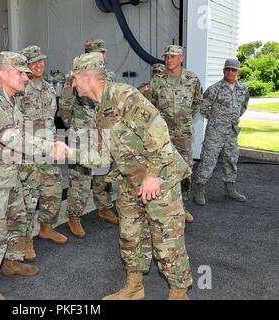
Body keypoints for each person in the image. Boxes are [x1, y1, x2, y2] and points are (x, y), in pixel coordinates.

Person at [71, 52, 193, 300]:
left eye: (74, 78)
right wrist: (68, 152)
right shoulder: (100, 109)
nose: (72, 84)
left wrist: (152, 174)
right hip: (131, 181)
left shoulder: (123, 96)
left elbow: (159, 131)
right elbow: (102, 158)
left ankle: (179, 294)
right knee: (130, 236)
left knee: (167, 241)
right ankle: (134, 288)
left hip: (159, 178)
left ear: (86, 77)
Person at [0, 51, 70, 300]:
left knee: (19, 220)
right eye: (21, 72)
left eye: (27, 72)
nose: (26, 76)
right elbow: (11, 137)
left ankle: (11, 262)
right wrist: (49, 147)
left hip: (12, 174)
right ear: (3, 73)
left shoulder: (12, 100)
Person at [58, 39, 118, 238]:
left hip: (102, 131)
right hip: (82, 132)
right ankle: (74, 216)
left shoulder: (109, 75)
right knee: (81, 177)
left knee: (103, 171)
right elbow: (65, 105)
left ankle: (104, 207)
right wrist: (73, 126)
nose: (101, 56)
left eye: (102, 52)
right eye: (96, 53)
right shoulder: (73, 77)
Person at [17, 45, 68, 262]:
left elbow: (51, 119)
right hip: (28, 152)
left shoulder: (48, 88)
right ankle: (26, 239)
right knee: (28, 197)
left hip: (48, 149)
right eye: (34, 61)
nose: (39, 65)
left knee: (53, 191)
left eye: (41, 61)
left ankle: (46, 228)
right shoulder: (19, 89)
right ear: (25, 65)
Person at [143, 45, 203, 223]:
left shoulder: (191, 79)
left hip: (183, 134)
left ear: (181, 59)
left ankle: (182, 207)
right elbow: (150, 105)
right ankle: (161, 205)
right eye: (167, 57)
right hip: (162, 135)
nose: (169, 60)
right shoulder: (157, 80)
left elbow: (197, 101)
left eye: (173, 56)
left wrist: (186, 119)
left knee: (184, 171)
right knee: (160, 169)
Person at [194, 59, 249, 205]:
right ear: (224, 70)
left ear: (238, 72)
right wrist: (217, 121)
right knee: (208, 160)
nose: (230, 72)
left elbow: (243, 106)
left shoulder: (243, 89)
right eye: (227, 69)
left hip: (232, 132)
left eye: (233, 70)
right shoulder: (214, 89)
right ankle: (200, 189)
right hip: (215, 132)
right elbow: (204, 108)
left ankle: (230, 188)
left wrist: (232, 119)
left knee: (231, 159)